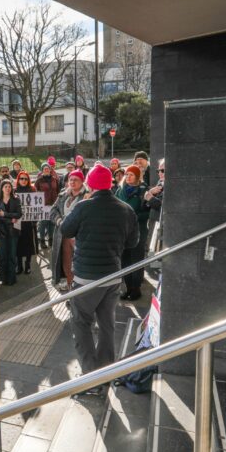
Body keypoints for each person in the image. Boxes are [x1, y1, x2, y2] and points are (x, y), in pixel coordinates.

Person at [61, 164, 139, 397]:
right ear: (110, 184)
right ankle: (105, 373)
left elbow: (66, 229)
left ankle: (89, 377)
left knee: (81, 322)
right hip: (112, 278)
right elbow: (133, 243)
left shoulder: (84, 206)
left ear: (91, 184)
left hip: (86, 279)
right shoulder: (125, 209)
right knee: (107, 324)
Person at [116, 165, 150, 301]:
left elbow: (147, 213)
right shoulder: (120, 190)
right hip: (123, 231)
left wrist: (133, 216)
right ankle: (128, 287)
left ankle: (136, 289)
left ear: (137, 177)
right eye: (127, 174)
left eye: (131, 175)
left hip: (138, 230)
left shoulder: (144, 191)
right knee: (124, 260)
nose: (128, 177)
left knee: (136, 260)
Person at [50, 170, 86, 291]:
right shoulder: (62, 195)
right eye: (71, 179)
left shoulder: (87, 195)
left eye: (76, 179)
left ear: (82, 181)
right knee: (66, 263)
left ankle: (79, 289)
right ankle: (71, 288)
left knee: (79, 264)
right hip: (63, 235)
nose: (72, 182)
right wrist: (60, 221)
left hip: (79, 235)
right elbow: (53, 211)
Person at [0, 179, 21, 286]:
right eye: (5, 186)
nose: (7, 188)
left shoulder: (16, 199)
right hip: (2, 231)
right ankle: (3, 277)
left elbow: (19, 214)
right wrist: (10, 219)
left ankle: (11, 278)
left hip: (13, 231)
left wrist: (5, 214)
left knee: (12, 255)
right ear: (1, 188)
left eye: (9, 186)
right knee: (2, 255)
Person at [14, 171, 38, 275]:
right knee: (18, 244)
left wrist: (35, 219)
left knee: (28, 244)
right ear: (18, 180)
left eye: (26, 179)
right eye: (21, 178)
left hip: (29, 222)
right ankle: (19, 265)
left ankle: (27, 265)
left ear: (28, 180)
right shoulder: (14, 191)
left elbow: (37, 206)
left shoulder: (32, 190)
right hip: (17, 222)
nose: (23, 181)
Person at [34, 163, 60, 249]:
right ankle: (42, 240)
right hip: (43, 205)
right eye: (44, 169)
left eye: (48, 168)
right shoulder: (39, 180)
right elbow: (35, 191)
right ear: (42, 170)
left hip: (53, 204)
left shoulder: (54, 179)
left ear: (50, 170)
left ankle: (50, 239)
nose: (46, 170)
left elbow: (57, 190)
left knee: (51, 223)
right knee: (43, 223)